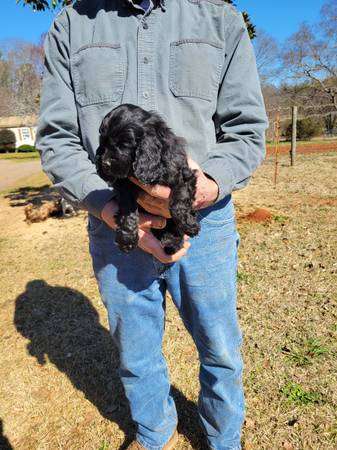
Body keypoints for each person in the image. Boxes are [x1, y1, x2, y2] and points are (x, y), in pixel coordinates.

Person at [36, 0, 269, 448]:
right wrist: (109, 207)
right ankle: (153, 433)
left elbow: (247, 130)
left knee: (220, 348)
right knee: (136, 352)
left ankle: (225, 440)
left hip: (203, 218)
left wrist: (201, 189)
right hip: (115, 219)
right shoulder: (71, 23)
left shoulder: (218, 18)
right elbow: (57, 138)